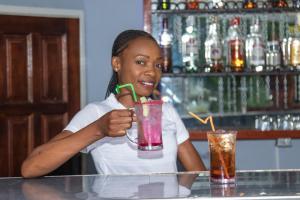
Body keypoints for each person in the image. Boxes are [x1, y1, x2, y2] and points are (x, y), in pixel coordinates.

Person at [21, 29, 206, 178]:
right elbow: (31, 167)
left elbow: (198, 174)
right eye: (141, 62)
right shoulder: (97, 112)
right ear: (117, 64)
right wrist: (99, 129)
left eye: (157, 65)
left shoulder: (166, 111)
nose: (152, 72)